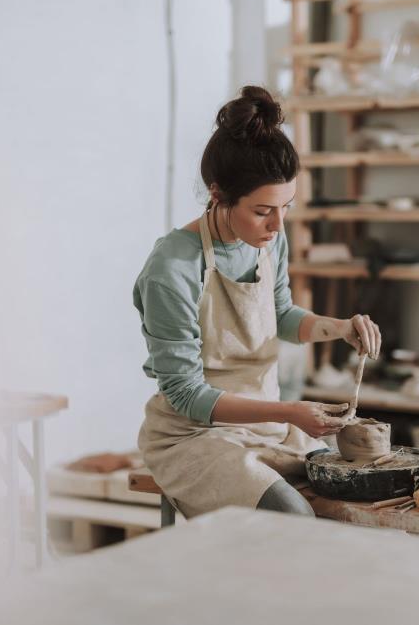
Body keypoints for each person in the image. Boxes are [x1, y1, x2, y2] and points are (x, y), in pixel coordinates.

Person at [134, 86, 381, 518]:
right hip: (195, 436)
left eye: (287, 206)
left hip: (269, 427)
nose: (278, 224)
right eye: (263, 210)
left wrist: (339, 327)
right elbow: (187, 394)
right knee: (293, 515)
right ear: (218, 195)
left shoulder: (269, 241)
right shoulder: (172, 267)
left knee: (354, 497)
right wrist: (290, 411)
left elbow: (281, 315)